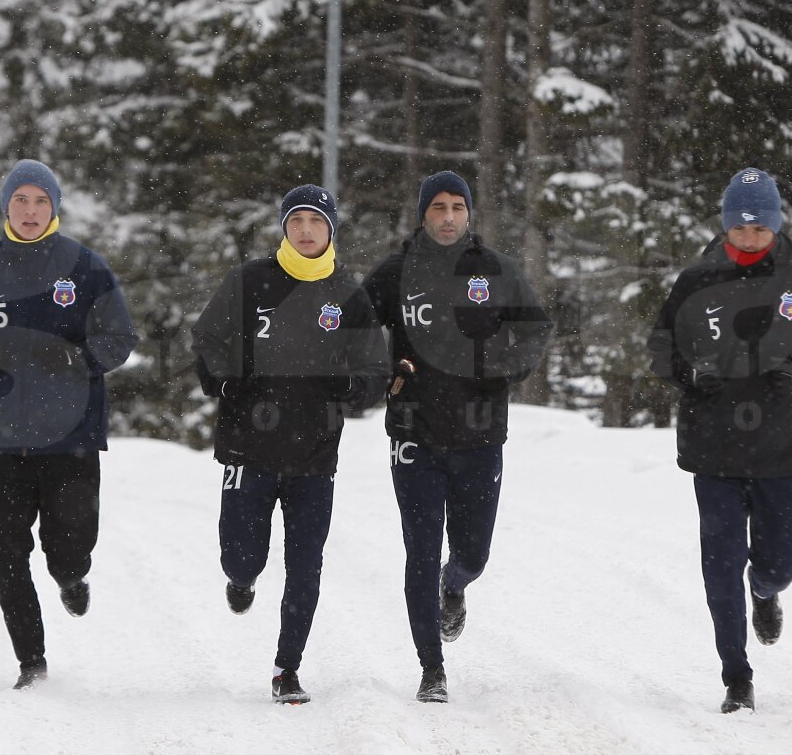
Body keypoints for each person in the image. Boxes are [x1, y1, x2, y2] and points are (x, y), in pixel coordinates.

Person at [647, 167, 792, 714]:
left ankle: (765, 591)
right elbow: (661, 347)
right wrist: (690, 374)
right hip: (713, 446)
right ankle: (736, 678)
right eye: (739, 227)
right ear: (725, 225)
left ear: (776, 224)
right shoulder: (696, 280)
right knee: (720, 566)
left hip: (782, 448)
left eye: (759, 227)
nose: (748, 237)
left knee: (779, 564)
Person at [0, 159, 137, 690]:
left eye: (40, 201)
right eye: (21, 200)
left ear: (54, 207)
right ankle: (32, 662)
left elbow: (120, 337)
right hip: (2, 440)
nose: (30, 211)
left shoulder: (85, 267)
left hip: (71, 439)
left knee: (68, 549)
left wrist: (78, 358)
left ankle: (72, 577)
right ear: (6, 207)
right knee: (7, 556)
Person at [191, 184, 389, 705]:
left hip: (314, 456)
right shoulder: (250, 280)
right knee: (242, 558)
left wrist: (351, 387)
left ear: (331, 230)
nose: (305, 230)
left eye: (316, 221)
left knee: (305, 567)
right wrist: (225, 381)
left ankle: (287, 668)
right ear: (284, 227)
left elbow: (375, 369)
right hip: (248, 448)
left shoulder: (348, 294)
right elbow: (207, 339)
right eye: (296, 220)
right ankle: (241, 580)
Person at [361, 171, 552, 702]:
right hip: (413, 432)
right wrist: (381, 372)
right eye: (438, 207)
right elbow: (352, 328)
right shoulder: (395, 272)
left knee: (473, 554)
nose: (448, 217)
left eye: (457, 208)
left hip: (480, 432)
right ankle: (432, 669)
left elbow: (535, 328)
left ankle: (456, 584)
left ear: (469, 213)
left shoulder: (495, 270)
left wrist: (503, 367)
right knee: (420, 552)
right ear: (423, 213)